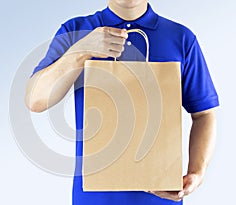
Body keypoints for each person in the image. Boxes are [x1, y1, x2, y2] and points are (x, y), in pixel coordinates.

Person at [25, 0, 219, 204]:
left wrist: (197, 172)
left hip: (161, 198)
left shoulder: (181, 39)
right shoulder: (75, 30)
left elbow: (204, 114)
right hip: (94, 199)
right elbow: (35, 100)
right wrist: (82, 51)